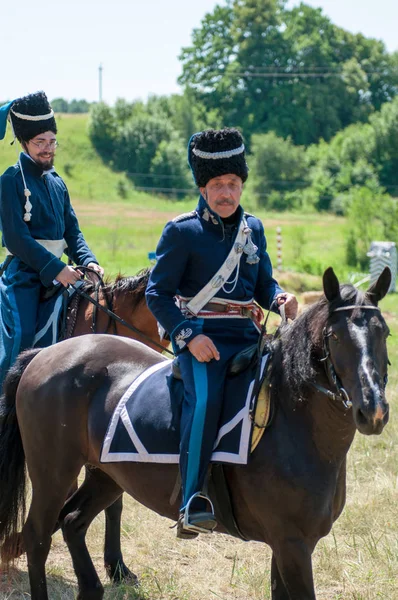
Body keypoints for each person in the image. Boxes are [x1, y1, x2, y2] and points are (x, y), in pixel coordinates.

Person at [146, 128, 297, 538]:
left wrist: (280, 298)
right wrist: (187, 336)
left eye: (233, 184)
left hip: (249, 338)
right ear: (202, 187)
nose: (227, 193)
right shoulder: (181, 231)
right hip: (201, 341)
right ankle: (192, 499)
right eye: (217, 185)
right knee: (206, 399)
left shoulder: (254, 228)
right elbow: (156, 293)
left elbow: (263, 283)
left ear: (241, 184)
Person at [0, 91, 104, 390]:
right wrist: (57, 268)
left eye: (51, 141)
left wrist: (89, 260)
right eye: (40, 143)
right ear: (24, 143)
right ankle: (5, 405)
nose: (47, 149)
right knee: (21, 336)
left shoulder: (58, 182)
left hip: (64, 274)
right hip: (24, 275)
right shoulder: (10, 180)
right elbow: (16, 239)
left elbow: (72, 231)